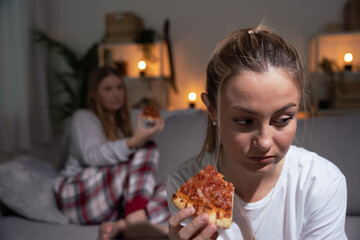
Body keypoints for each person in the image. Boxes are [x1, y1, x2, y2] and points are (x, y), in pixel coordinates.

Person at [167, 25, 347, 240]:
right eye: (244, 121)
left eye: (282, 120)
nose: (264, 142)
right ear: (212, 109)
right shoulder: (187, 184)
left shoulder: (322, 183)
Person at [54, 66, 170, 240]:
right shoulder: (83, 117)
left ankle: (121, 226)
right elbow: (91, 157)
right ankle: (136, 219)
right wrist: (135, 142)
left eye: (119, 87)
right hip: (76, 195)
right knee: (147, 148)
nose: (116, 94)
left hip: (108, 206)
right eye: (108, 89)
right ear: (94, 94)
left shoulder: (123, 125)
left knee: (173, 190)